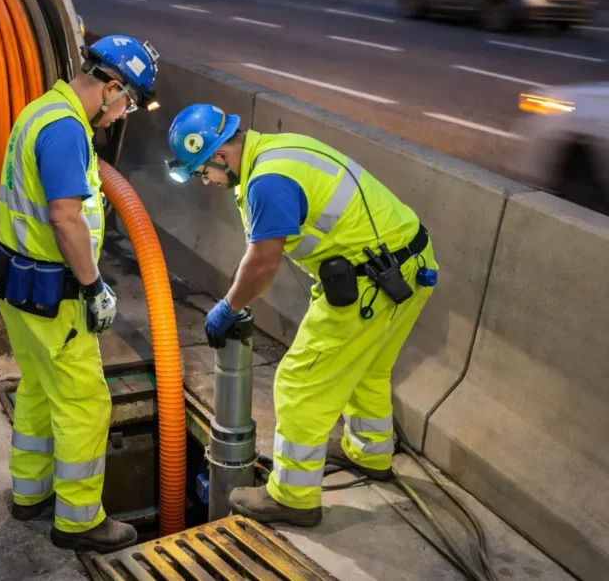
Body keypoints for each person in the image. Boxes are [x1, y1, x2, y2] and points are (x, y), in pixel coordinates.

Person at [166, 104, 438, 527]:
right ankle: (371, 453)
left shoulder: (267, 183)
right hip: (411, 264)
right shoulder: (277, 150)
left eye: (203, 172)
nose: (208, 182)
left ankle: (293, 497)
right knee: (367, 368)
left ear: (220, 155)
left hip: (373, 281)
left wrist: (229, 306)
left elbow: (261, 264)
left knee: (300, 382)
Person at [0, 35, 159, 552]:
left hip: (17, 284)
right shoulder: (66, 131)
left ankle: (30, 493)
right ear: (111, 87)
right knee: (85, 402)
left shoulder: (41, 110)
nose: (122, 115)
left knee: (39, 391)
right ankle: (81, 520)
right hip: (53, 294)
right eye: (127, 102)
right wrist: (93, 286)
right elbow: (65, 218)